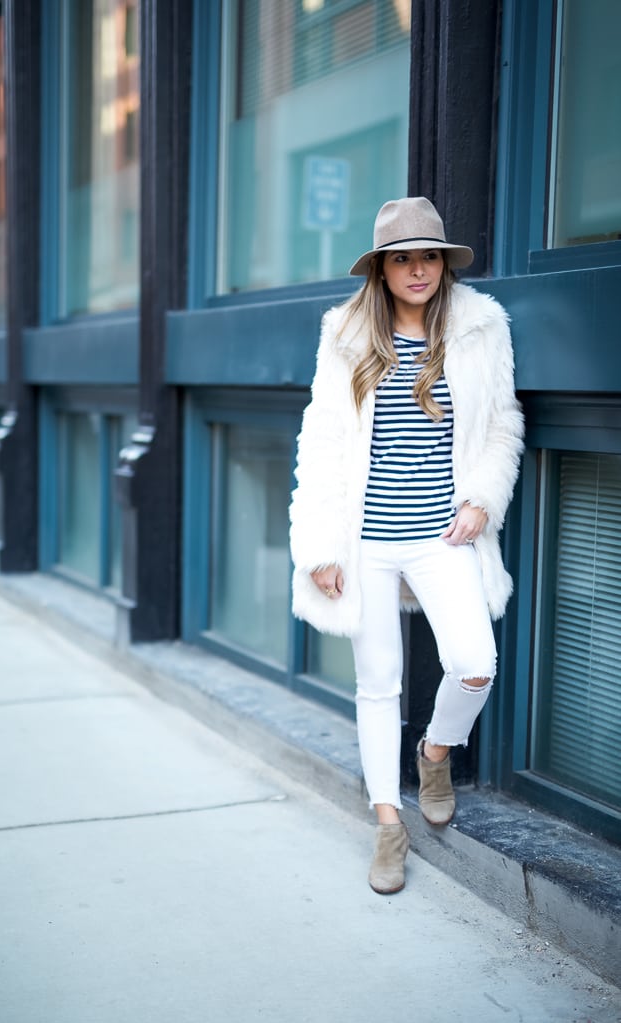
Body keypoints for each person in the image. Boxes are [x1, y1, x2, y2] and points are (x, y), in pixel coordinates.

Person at [289, 197, 524, 895]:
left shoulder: (481, 331)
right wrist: (322, 546)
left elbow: (503, 424)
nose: (417, 270)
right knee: (377, 684)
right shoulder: (347, 336)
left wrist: (483, 497)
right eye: (402, 259)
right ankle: (388, 824)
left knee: (475, 662)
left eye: (428, 256)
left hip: (440, 537)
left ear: (443, 264)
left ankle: (435, 752)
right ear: (382, 271)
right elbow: (324, 441)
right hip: (364, 540)